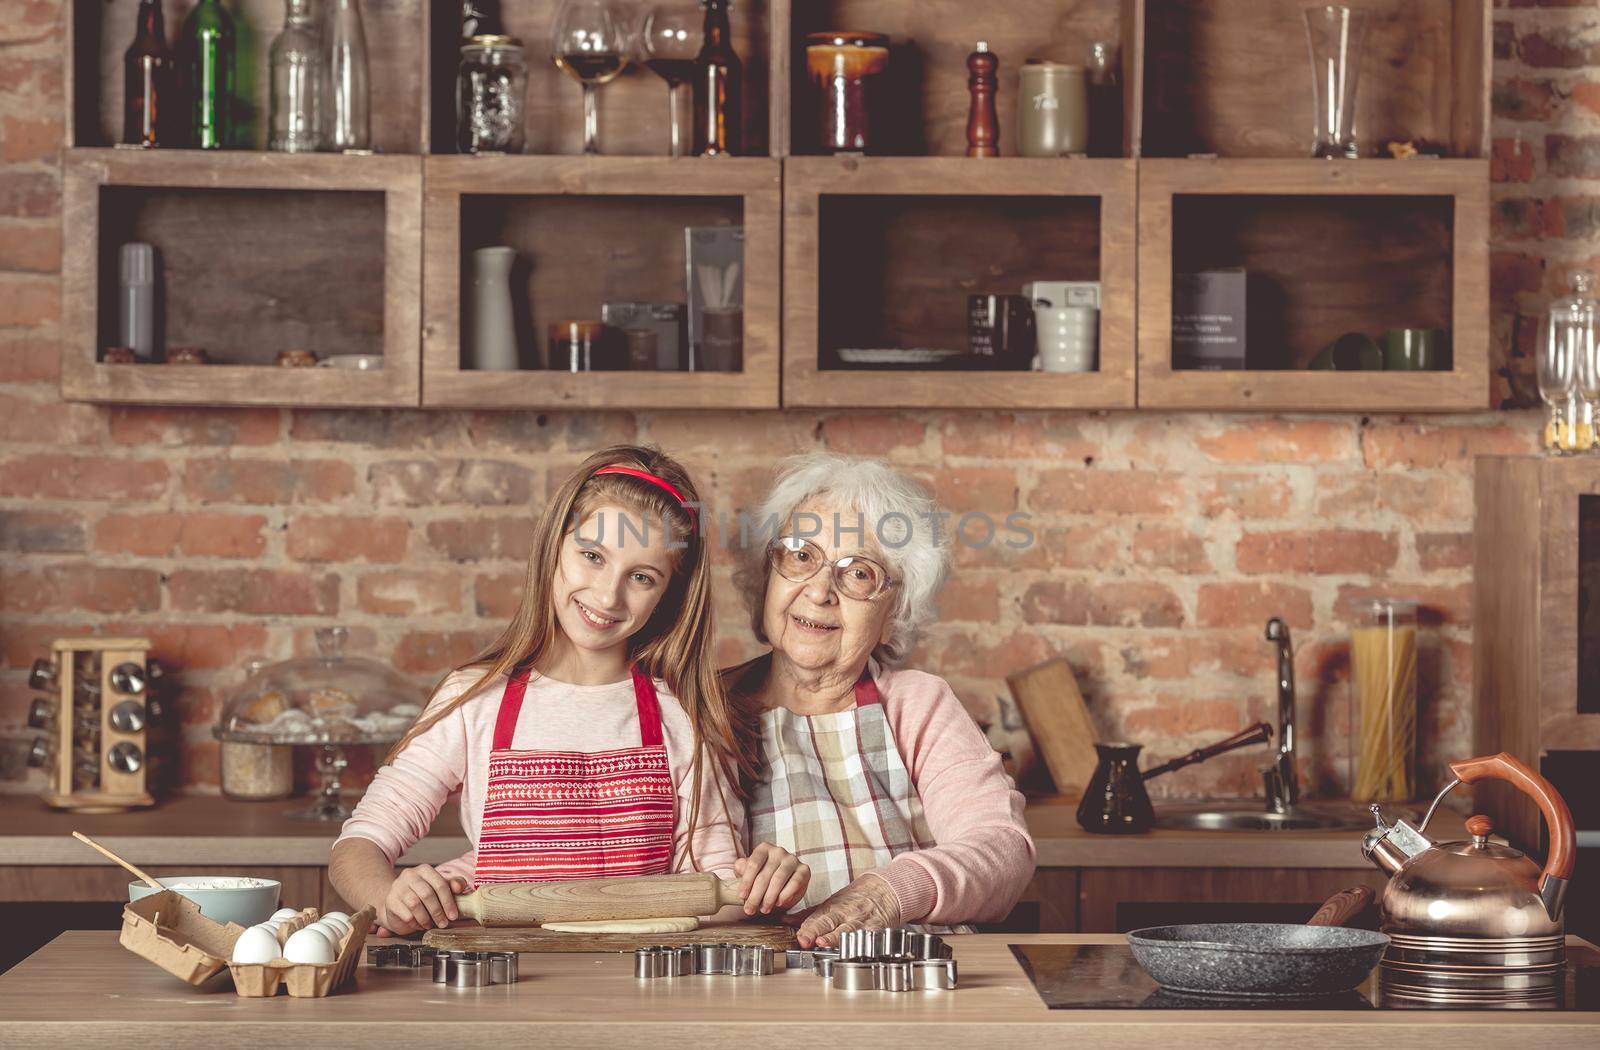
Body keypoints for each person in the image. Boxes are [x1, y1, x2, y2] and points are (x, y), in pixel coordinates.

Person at [331, 445, 808, 934]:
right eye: (591, 556)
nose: (607, 596)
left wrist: (761, 888)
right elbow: (358, 846)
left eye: (641, 577)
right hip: (501, 974)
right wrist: (391, 897)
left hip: (639, 982)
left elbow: (720, 885)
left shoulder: (684, 717)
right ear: (555, 545)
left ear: (668, 594)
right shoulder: (475, 699)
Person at [727, 452, 1035, 948]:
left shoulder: (918, 704)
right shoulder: (705, 705)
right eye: (800, 556)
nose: (820, 591)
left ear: (894, 612)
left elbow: (1003, 850)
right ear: (768, 577)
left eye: (859, 574)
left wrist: (889, 892)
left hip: (910, 979)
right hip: (765, 982)